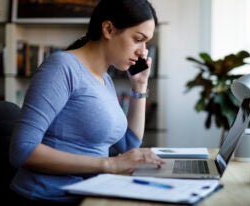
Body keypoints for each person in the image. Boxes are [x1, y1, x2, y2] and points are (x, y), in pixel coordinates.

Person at [9, 0, 164, 205]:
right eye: (138, 39)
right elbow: (22, 150)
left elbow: (129, 144)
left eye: (146, 43)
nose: (142, 52)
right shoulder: (62, 67)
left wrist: (140, 86)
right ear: (108, 29)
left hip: (89, 194)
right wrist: (109, 164)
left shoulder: (105, 79)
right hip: (47, 198)